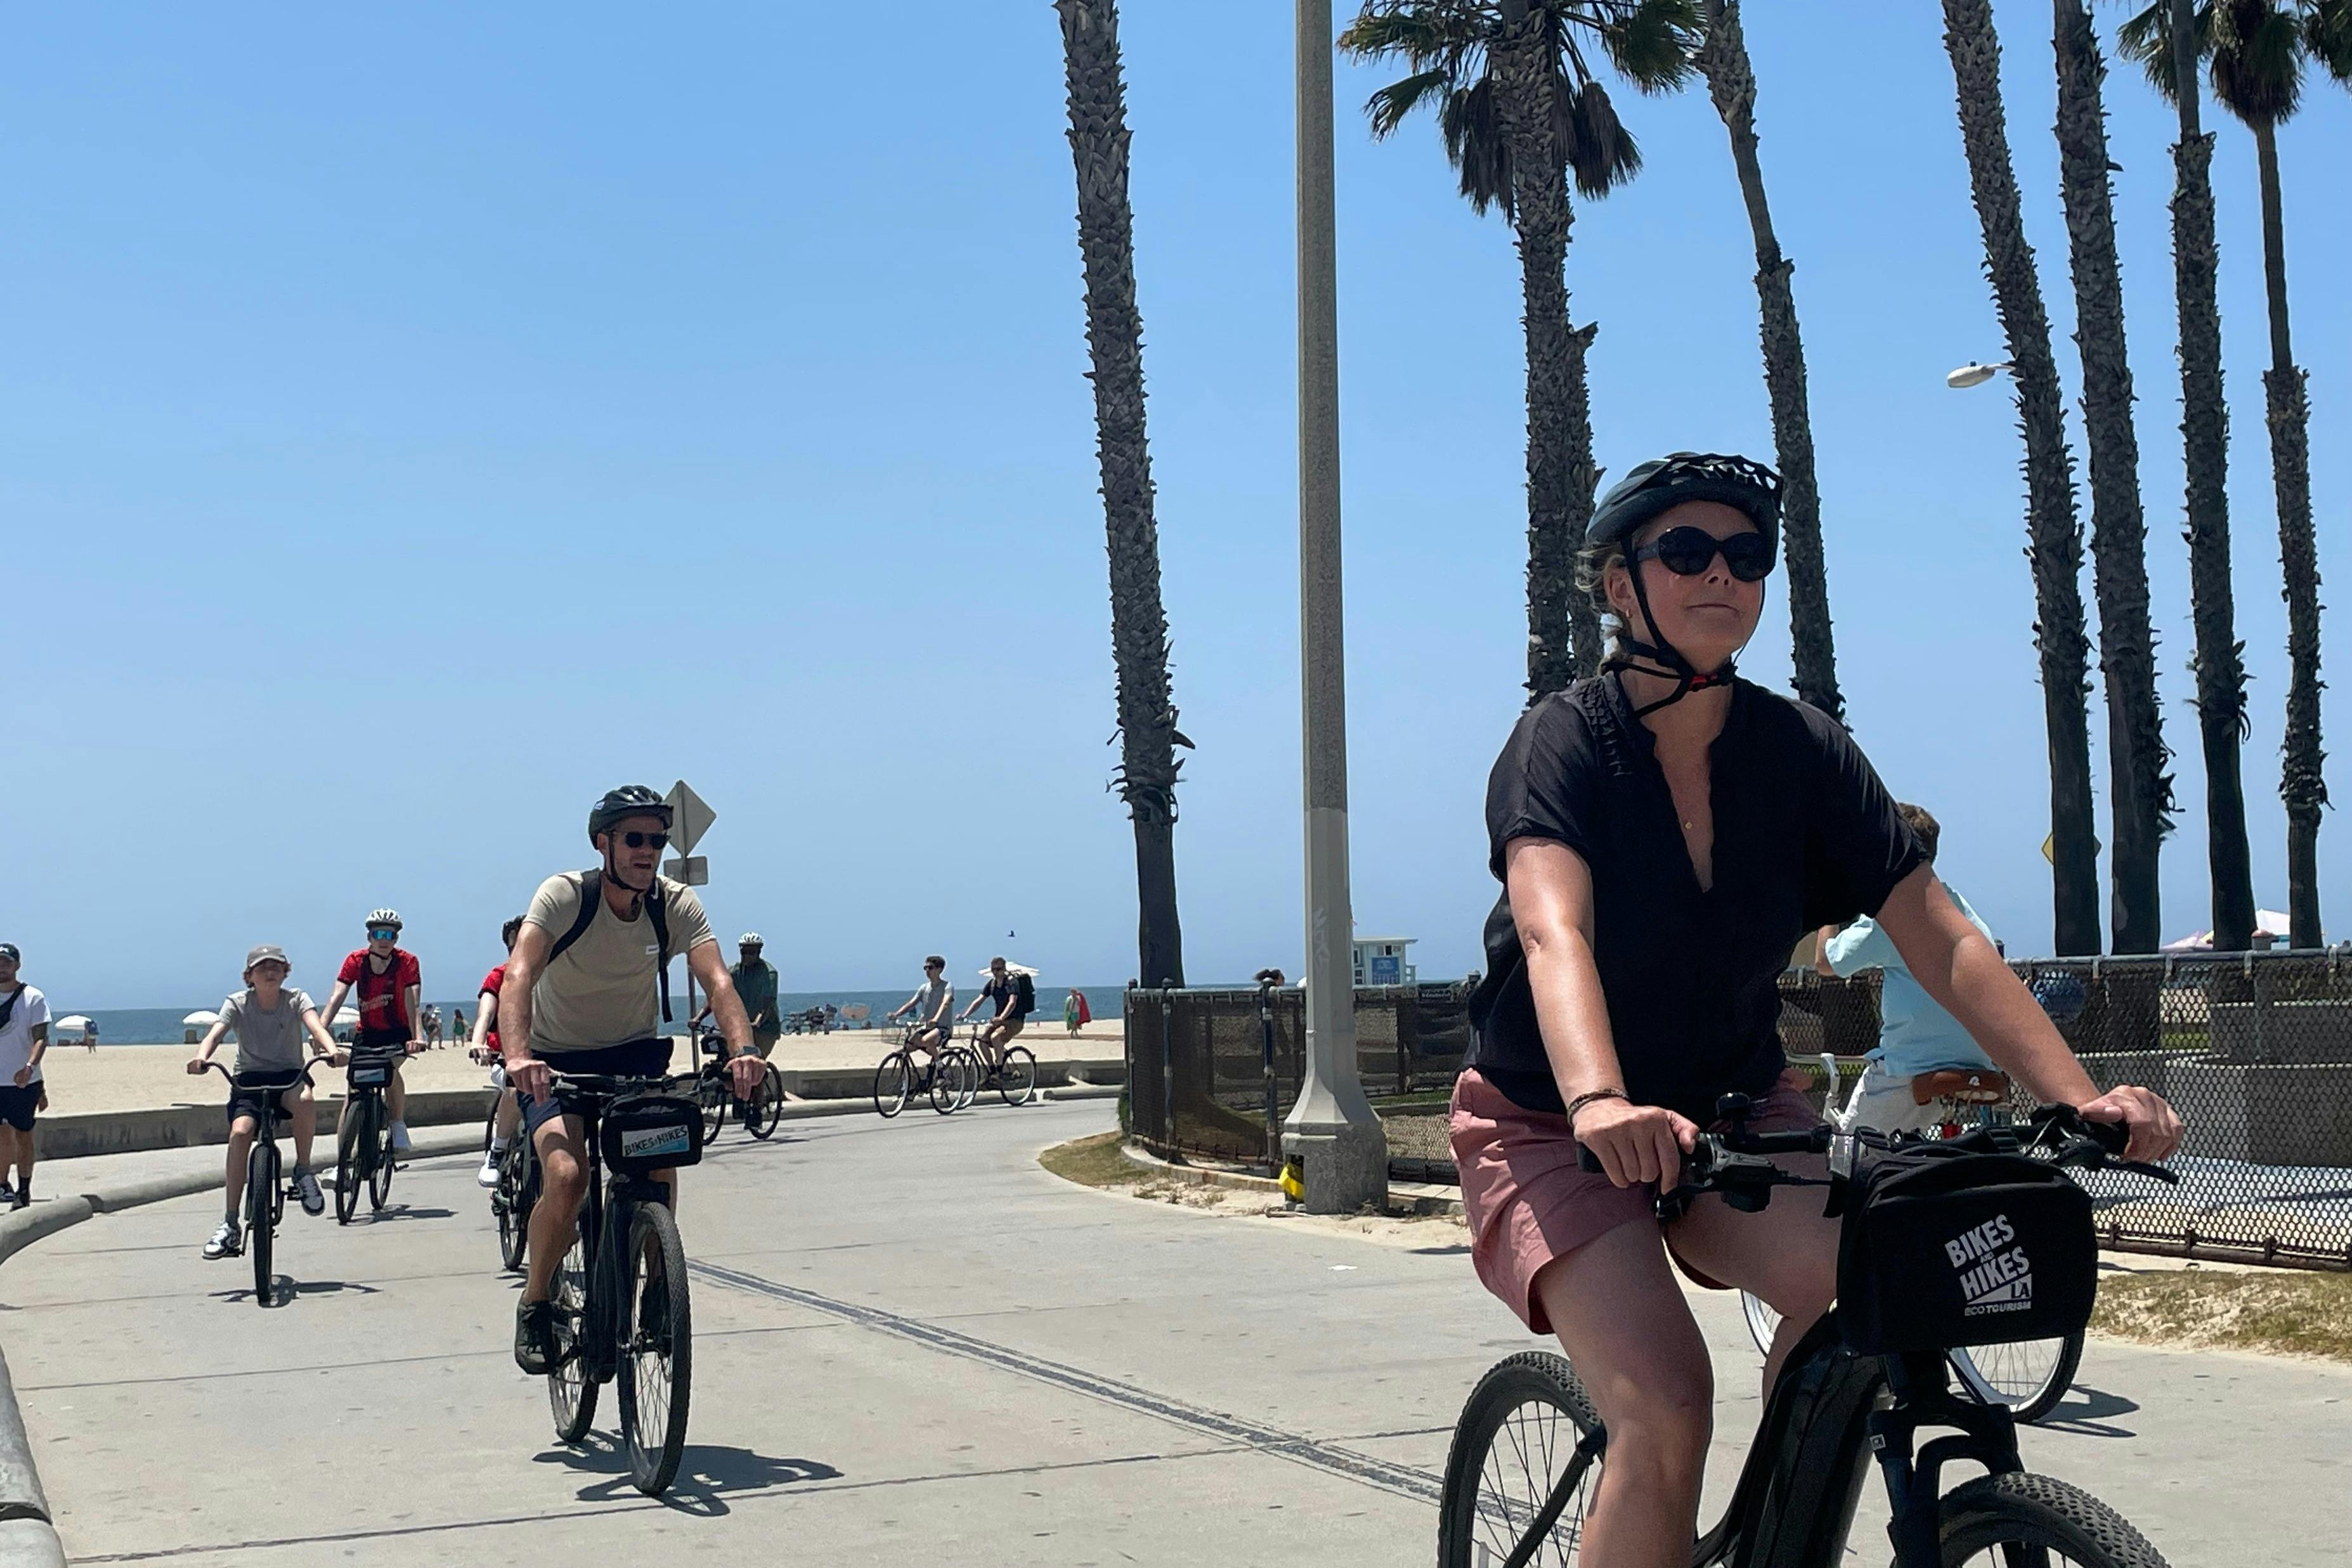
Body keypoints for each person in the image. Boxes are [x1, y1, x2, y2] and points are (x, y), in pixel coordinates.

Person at [1451, 451, 2183, 1568]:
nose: (1719, 575)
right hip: (1553, 1121)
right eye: (1683, 551)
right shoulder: (1562, 741)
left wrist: (2078, 1096)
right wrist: (1598, 1099)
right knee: (1663, 1404)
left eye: (1745, 556)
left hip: (1732, 1109)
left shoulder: (1798, 750)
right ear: (1616, 585)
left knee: (1859, 1304)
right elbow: (1555, 931)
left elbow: (1937, 932)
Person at [501, 786, 763, 1374]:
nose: (648, 850)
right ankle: (536, 1298)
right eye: (635, 839)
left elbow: (718, 980)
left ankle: (655, 1292)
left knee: (657, 1170)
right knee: (567, 1177)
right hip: (556, 1064)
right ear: (605, 843)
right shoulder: (565, 895)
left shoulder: (673, 904)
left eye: (657, 839)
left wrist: (743, 1048)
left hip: (635, 1060)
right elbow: (519, 974)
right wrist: (517, 1057)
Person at [1813, 803, 2005, 1134]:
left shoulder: (1893, 916)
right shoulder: (1967, 915)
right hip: (1976, 1067)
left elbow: (1826, 964)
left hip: (1908, 1071)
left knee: (1850, 1154)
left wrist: (1833, 900)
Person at [185, 945, 344, 1258]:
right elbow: (216, 1034)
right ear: (249, 977)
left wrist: (331, 1050)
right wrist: (201, 1058)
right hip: (249, 1079)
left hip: (289, 1074)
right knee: (241, 1133)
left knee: (306, 1099)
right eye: (262, 967)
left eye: (277, 966)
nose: (270, 971)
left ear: (286, 972)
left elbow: (315, 1026)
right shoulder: (237, 1003)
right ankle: (230, 1224)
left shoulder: (296, 999)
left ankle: (302, 1170)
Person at [316, 910, 424, 1152]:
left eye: (391, 935)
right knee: (353, 1090)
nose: (385, 940)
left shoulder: (407, 962)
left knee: (390, 1069)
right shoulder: (356, 961)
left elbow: (413, 1002)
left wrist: (417, 1037)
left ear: (397, 938)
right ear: (369, 937)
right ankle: (343, 1158)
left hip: (399, 1032)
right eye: (379, 934)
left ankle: (397, 1123)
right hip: (367, 1032)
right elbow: (337, 997)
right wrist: (320, 1031)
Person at [472, 916, 526, 1189]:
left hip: (548, 1057)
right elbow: (486, 1012)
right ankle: (498, 1151)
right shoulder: (499, 976)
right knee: (516, 1087)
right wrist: (478, 1041)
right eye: (514, 947)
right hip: (504, 1059)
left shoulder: (557, 978)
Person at [0, 943, 50, 1211]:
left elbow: (41, 1038)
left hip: (23, 1081)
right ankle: (2, 1184)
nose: (2, 968)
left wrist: (30, 1067)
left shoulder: (33, 998)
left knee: (23, 1135)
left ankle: (24, 1189)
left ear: (17, 966)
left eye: (7, 962)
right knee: (1, 1136)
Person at [696, 935, 781, 1060]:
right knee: (731, 1060)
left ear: (759, 952)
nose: (747, 956)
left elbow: (767, 1003)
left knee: (754, 1063)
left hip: (764, 1028)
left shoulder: (768, 973)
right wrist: (699, 1018)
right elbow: (716, 995)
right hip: (742, 1026)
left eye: (751, 952)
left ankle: (761, 1079)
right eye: (744, 952)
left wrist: (757, 1022)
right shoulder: (734, 972)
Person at [958, 956, 1034, 1074]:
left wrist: (1002, 1017)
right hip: (999, 1021)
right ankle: (992, 1071)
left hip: (1015, 1021)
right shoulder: (992, 984)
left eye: (998, 969)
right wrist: (965, 1015)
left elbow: (1012, 1002)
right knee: (983, 1042)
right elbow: (979, 1001)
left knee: (995, 1037)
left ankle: (1000, 1071)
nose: (996, 972)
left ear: (1004, 969)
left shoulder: (1011, 983)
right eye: (994, 970)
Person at [884, 957, 956, 1067]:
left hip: (943, 1028)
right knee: (906, 1049)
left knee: (925, 1040)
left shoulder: (947, 986)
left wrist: (936, 1019)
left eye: (930, 968)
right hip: (927, 1027)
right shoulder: (924, 988)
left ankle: (940, 1067)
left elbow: (945, 1003)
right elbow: (911, 1004)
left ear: (940, 970)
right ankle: (907, 1080)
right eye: (925, 968)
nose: (927, 971)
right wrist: (896, 1014)